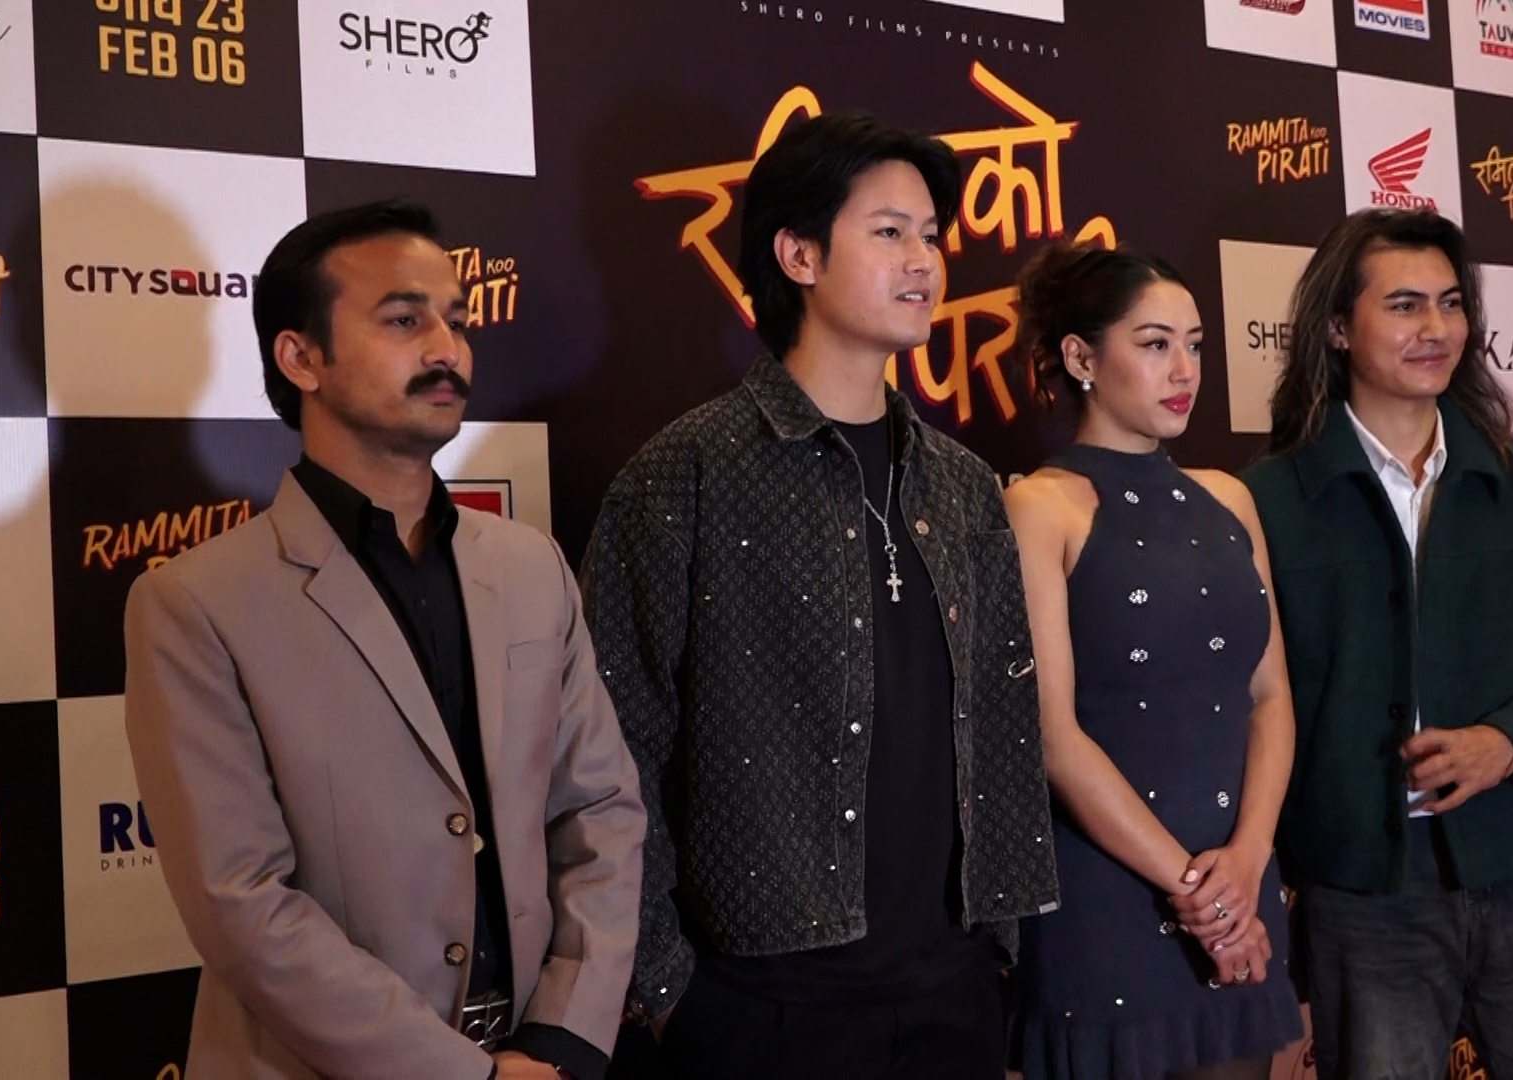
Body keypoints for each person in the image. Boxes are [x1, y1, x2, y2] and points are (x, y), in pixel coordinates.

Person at [579, 111, 1059, 1080]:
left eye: (932, 236)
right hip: (761, 1009)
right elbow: (609, 747)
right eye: (889, 232)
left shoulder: (965, 485)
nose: (923, 261)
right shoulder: (686, 473)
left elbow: (1005, 720)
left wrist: (999, 947)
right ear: (797, 254)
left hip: (956, 995)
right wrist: (667, 990)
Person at [122, 200, 646, 1080]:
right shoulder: (194, 604)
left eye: (457, 321)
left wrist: (561, 1037)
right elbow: (241, 903)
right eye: (405, 320)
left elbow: (600, 811)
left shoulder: (531, 568)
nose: (448, 349)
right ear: (301, 358)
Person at [1240, 208, 1513, 1079]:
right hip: (1363, 898)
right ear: (1337, 328)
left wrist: (1509, 743)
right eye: (1404, 305)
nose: (1436, 328)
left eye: (1451, 302)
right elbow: (1245, 704)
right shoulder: (1269, 501)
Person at [1004, 241, 1304, 1080]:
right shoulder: (1040, 507)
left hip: (1241, 885)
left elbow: (1271, 697)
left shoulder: (1231, 498)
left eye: (1196, 345)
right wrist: (1200, 893)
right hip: (1107, 901)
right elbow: (1054, 738)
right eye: (1155, 343)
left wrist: (1247, 863)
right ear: (1080, 358)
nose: (1185, 370)